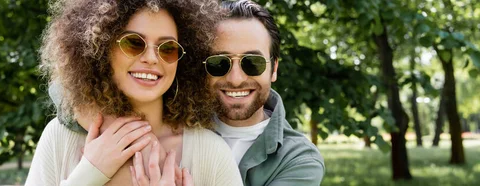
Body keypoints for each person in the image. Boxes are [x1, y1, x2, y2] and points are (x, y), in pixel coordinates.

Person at [26, 0, 242, 185]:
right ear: (101, 47)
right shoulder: (60, 138)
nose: (151, 58)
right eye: (133, 43)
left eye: (168, 48)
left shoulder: (212, 155)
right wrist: (87, 175)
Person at [204, 0, 325, 185]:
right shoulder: (175, 132)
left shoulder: (300, 159)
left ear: (274, 68)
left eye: (252, 62)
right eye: (219, 62)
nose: (236, 79)